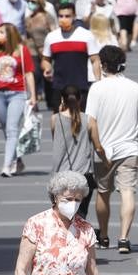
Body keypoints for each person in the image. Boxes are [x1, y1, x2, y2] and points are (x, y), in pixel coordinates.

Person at [85, 45, 138, 254]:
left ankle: (104, 235)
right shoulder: (134, 87)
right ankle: (124, 238)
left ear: (103, 64)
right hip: (129, 148)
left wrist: (98, 147)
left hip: (104, 150)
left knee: (103, 192)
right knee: (127, 192)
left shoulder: (97, 88)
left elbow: (91, 122)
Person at [0, 24, 38, 178]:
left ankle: (7, 165)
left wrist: (32, 95)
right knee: (6, 130)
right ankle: (17, 160)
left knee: (12, 129)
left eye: (1, 32)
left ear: (10, 35)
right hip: (0, 94)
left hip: (17, 94)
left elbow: (28, 74)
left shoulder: (21, 50)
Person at [42, 3, 101, 109]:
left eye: (67, 16)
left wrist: (98, 82)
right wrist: (47, 68)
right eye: (61, 16)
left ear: (74, 17)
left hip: (80, 86)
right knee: (58, 120)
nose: (63, 19)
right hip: (59, 86)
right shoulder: (51, 37)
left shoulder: (86, 35)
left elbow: (95, 60)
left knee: (81, 120)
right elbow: (46, 59)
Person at [51, 85, 95, 220]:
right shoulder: (89, 119)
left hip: (61, 175)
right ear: (80, 99)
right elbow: (97, 145)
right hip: (83, 174)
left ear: (62, 100)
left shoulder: (55, 119)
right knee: (80, 214)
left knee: (62, 215)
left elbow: (56, 140)